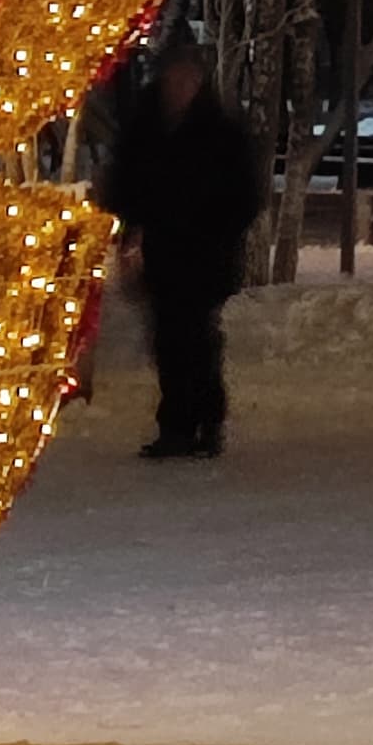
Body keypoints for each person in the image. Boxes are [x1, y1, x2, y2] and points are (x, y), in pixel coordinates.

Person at [98, 40, 267, 460]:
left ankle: (204, 420)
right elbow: (124, 181)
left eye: (188, 79)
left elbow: (244, 192)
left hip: (206, 251)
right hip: (161, 249)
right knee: (170, 339)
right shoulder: (146, 127)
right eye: (175, 78)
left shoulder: (220, 132)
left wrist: (221, 230)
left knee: (195, 336)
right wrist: (129, 226)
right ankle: (178, 424)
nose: (181, 87)